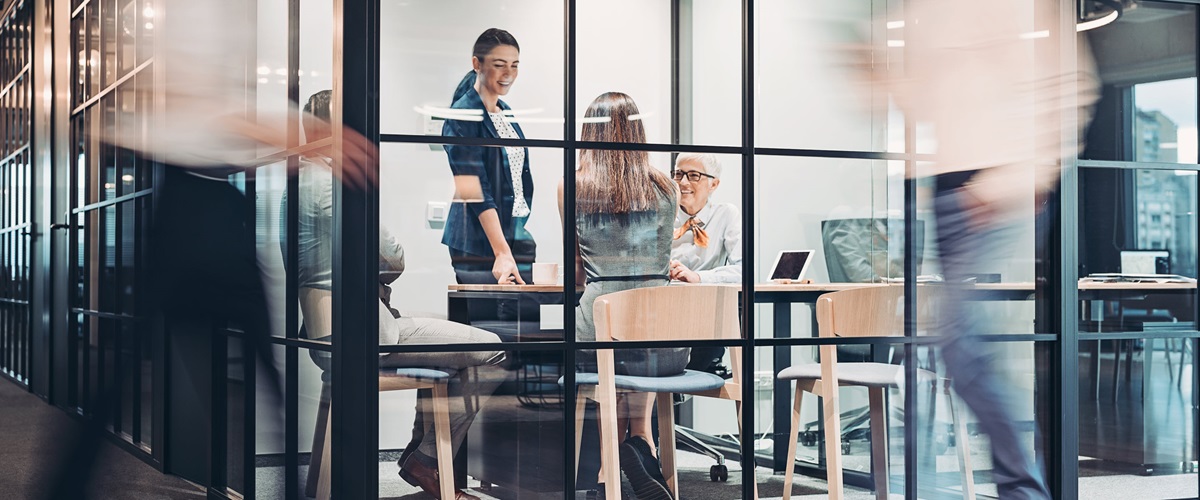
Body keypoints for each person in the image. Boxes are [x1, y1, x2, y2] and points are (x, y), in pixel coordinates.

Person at [42, 2, 376, 498]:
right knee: (255, 366)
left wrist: (293, 145)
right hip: (194, 209)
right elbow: (208, 118)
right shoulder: (197, 9)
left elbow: (219, 126)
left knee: (256, 366)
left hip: (212, 201)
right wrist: (306, 137)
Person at [874, 1, 1100, 498]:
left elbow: (1070, 85)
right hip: (946, 186)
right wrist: (878, 79)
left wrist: (1013, 181)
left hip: (999, 185)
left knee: (960, 343)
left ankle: (1024, 491)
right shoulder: (925, 12)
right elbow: (931, 100)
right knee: (948, 348)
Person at [285, 91, 504, 500]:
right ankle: (425, 458)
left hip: (323, 333)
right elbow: (395, 257)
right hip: (364, 333)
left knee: (444, 348)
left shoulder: (294, 186)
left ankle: (422, 457)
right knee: (490, 348)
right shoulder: (336, 185)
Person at [558, 92, 685, 500]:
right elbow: (661, 262)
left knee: (610, 342)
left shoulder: (573, 185)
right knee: (643, 323)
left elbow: (577, 268)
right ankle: (643, 441)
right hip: (668, 345)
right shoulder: (667, 185)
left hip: (602, 331)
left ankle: (604, 471)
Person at [442, 28, 535, 286]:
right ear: (477, 64)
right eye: (499, 65)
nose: (509, 74)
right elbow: (474, 188)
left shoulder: (506, 113)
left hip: (512, 235)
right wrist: (501, 251)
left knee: (521, 323)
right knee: (486, 325)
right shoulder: (462, 115)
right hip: (479, 242)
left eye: (515, 65)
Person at [668, 153, 742, 376]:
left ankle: (674, 392)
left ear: (714, 184)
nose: (683, 183)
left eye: (693, 176)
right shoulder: (661, 213)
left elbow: (744, 270)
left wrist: (698, 278)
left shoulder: (726, 214)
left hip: (704, 318)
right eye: (678, 174)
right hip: (664, 314)